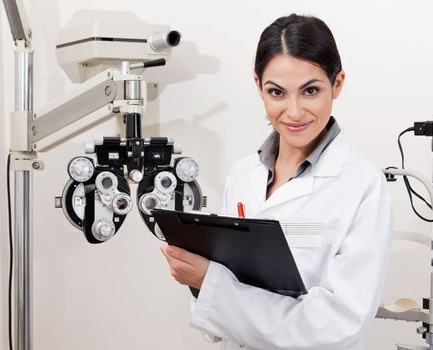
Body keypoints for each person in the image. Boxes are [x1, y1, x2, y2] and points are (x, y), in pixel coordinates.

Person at [160, 13, 391, 350]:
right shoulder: (243, 174)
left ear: (337, 84)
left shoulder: (362, 184)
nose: (294, 112)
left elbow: (338, 326)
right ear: (258, 87)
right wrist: (199, 282)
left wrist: (211, 285)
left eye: (310, 90)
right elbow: (217, 324)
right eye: (277, 92)